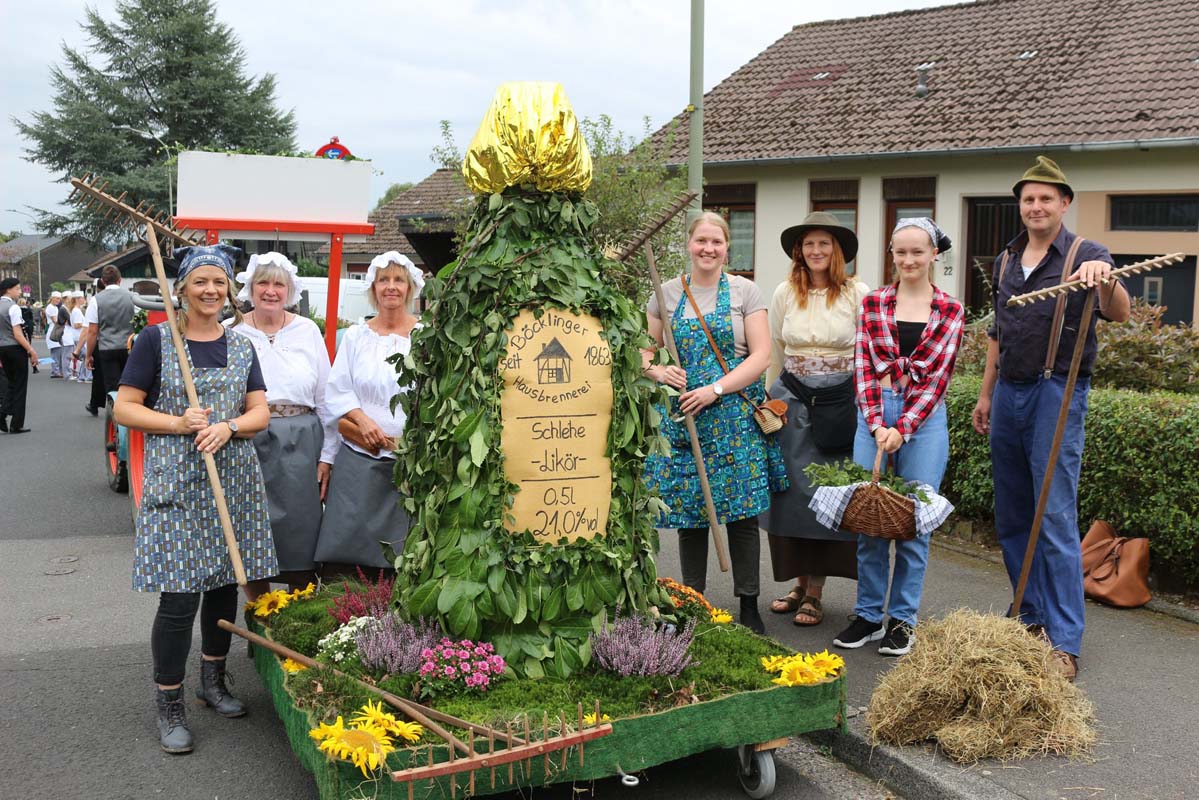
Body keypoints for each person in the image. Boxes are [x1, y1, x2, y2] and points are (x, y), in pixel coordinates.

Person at [971, 157, 1130, 681]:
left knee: (1055, 516)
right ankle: (1030, 618)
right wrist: (986, 395)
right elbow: (997, 334)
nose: (1036, 207)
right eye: (1027, 199)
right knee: (1014, 515)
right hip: (1009, 395)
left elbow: (1121, 310)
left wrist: (1102, 280)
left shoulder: (1087, 255)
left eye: (1046, 198)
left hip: (1056, 392)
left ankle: (1065, 641)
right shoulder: (1006, 260)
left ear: (1064, 203)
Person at [114, 243, 276, 754]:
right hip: (178, 482)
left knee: (225, 583)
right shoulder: (156, 341)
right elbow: (124, 409)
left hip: (232, 479)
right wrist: (177, 422)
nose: (210, 291)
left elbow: (259, 414)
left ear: (230, 289)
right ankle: (170, 701)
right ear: (181, 288)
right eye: (200, 282)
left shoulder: (243, 346)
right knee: (180, 596)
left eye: (219, 282)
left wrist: (229, 426)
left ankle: (213, 681)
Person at [643, 211, 788, 633]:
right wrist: (658, 371)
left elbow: (760, 356)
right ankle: (693, 601)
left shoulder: (745, 292)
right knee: (691, 515)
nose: (709, 249)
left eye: (717, 242)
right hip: (684, 415)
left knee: (742, 514)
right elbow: (644, 351)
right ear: (689, 244)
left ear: (727, 247)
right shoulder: (665, 293)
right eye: (701, 241)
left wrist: (716, 390)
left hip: (733, 414)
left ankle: (748, 604)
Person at [833, 218, 963, 657]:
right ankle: (868, 615)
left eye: (917, 252)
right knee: (868, 519)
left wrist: (902, 428)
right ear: (891, 254)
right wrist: (876, 423)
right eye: (900, 252)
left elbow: (936, 380)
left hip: (923, 423)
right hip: (874, 416)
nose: (908, 260)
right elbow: (863, 369)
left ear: (933, 256)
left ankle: (902, 621)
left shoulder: (950, 310)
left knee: (913, 525)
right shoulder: (872, 304)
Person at [764, 212, 870, 627]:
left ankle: (816, 592)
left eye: (824, 244)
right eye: (809, 244)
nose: (816, 251)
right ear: (799, 251)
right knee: (790, 492)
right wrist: (769, 403)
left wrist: (863, 405)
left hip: (840, 400)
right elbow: (775, 350)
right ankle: (796, 583)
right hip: (791, 397)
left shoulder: (857, 293)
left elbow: (868, 351)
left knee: (828, 495)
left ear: (837, 250)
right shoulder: (785, 293)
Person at [228, 252, 335, 598]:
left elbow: (325, 397)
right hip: (249, 438)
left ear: (289, 290)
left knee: (301, 530)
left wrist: (327, 456)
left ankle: (298, 613)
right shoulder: (233, 332)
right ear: (250, 287)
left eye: (278, 284)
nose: (270, 291)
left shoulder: (306, 330)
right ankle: (259, 612)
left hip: (302, 441)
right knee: (252, 529)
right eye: (263, 282)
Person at [315, 251, 422, 579]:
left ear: (410, 288)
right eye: (384, 280)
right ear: (373, 288)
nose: (391, 287)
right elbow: (338, 390)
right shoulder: (356, 338)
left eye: (398, 280)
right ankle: (353, 617)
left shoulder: (425, 336)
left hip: (410, 458)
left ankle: (398, 622)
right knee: (352, 550)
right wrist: (364, 422)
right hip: (361, 453)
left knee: (405, 551)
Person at [85, 266, 136, 416]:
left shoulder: (96, 300)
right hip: (128, 347)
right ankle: (130, 415)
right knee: (129, 384)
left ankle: (116, 418)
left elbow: (93, 331)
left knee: (112, 387)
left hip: (107, 348)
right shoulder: (132, 296)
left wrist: (88, 355)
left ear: (102, 281)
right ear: (120, 280)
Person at [1, 278, 40, 433]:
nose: (19, 291)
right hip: (16, 348)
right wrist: (31, 350)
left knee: (11, 383)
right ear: (8, 290)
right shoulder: (13, 308)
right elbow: (18, 333)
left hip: (2, 348)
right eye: (17, 288)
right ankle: (16, 423)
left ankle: (3, 414)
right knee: (20, 385)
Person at [70, 291, 92, 382]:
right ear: (78, 299)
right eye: (82, 298)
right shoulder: (76, 311)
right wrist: (86, 325)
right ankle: (87, 376)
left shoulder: (76, 310)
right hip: (79, 336)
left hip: (77, 336)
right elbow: (76, 325)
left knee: (84, 357)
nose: (84, 300)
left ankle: (82, 376)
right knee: (88, 356)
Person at [45, 291, 65, 378]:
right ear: (52, 298)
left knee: (59, 353)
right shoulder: (51, 308)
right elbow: (55, 320)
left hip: (56, 331)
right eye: (57, 298)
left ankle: (58, 371)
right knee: (56, 353)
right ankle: (55, 371)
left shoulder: (55, 308)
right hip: (54, 331)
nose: (58, 300)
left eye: (59, 299)